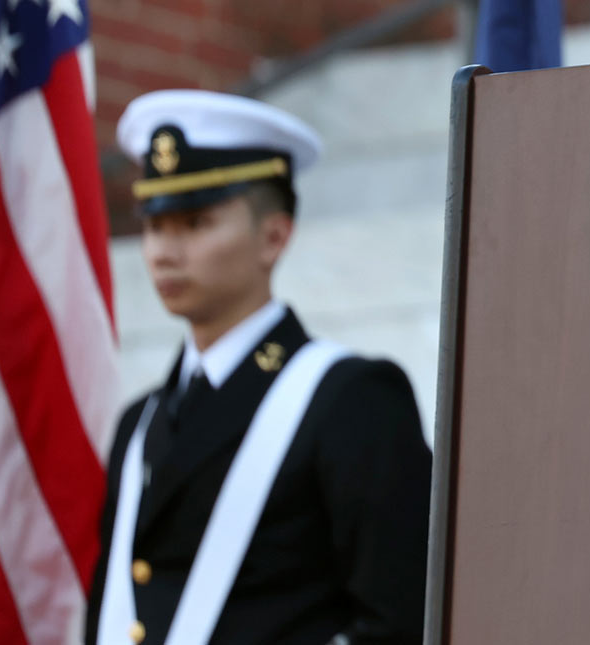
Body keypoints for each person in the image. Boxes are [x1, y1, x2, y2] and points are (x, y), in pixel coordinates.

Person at [85, 90, 432, 645]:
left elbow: (401, 621)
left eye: (195, 223)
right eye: (154, 225)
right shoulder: (139, 424)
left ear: (274, 236)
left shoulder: (350, 399)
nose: (162, 252)